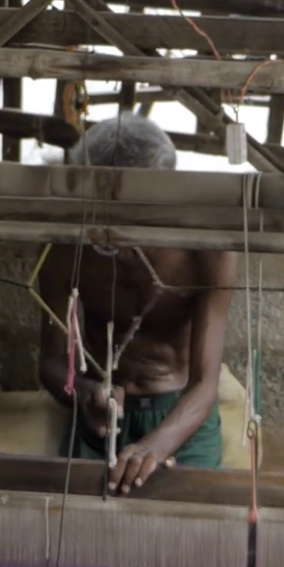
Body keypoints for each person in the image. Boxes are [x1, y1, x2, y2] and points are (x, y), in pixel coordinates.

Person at [37, 115, 235, 494]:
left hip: (182, 416)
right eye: (100, 205)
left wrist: (155, 446)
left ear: (162, 194)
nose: (111, 222)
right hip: (101, 417)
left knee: (190, 520)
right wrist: (84, 393)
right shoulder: (65, 247)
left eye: (127, 207)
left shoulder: (207, 249)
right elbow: (51, 363)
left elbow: (205, 385)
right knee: (78, 519)